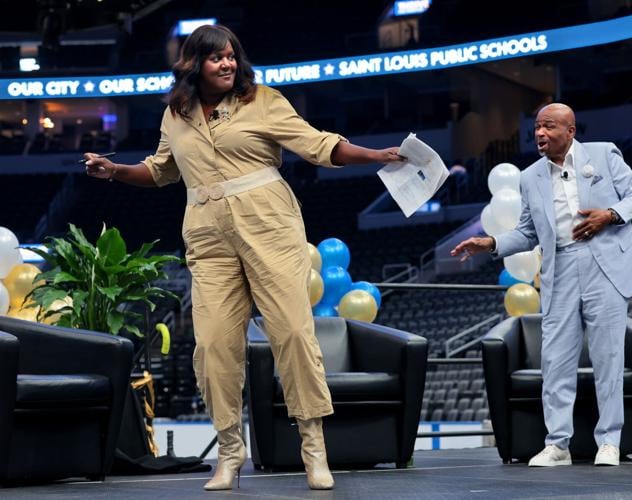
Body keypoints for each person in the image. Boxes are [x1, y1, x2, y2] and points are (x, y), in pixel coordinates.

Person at [84, 25, 404, 491]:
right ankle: (230, 452)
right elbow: (159, 171)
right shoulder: (176, 114)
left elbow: (318, 144)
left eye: (232, 56)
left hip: (269, 225)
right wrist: (114, 171)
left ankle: (313, 447)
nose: (228, 64)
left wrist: (375, 154)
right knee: (212, 346)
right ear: (195, 64)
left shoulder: (264, 100)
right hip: (208, 237)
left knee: (293, 332)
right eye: (217, 58)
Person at [451, 103, 632, 467]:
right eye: (537, 128)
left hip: (604, 262)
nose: (540, 134)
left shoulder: (604, 155)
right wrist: (491, 243)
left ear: (570, 130)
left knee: (608, 357)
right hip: (559, 268)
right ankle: (558, 444)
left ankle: (609, 442)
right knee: (556, 359)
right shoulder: (530, 177)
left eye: (548, 127)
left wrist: (610, 215)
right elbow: (527, 232)